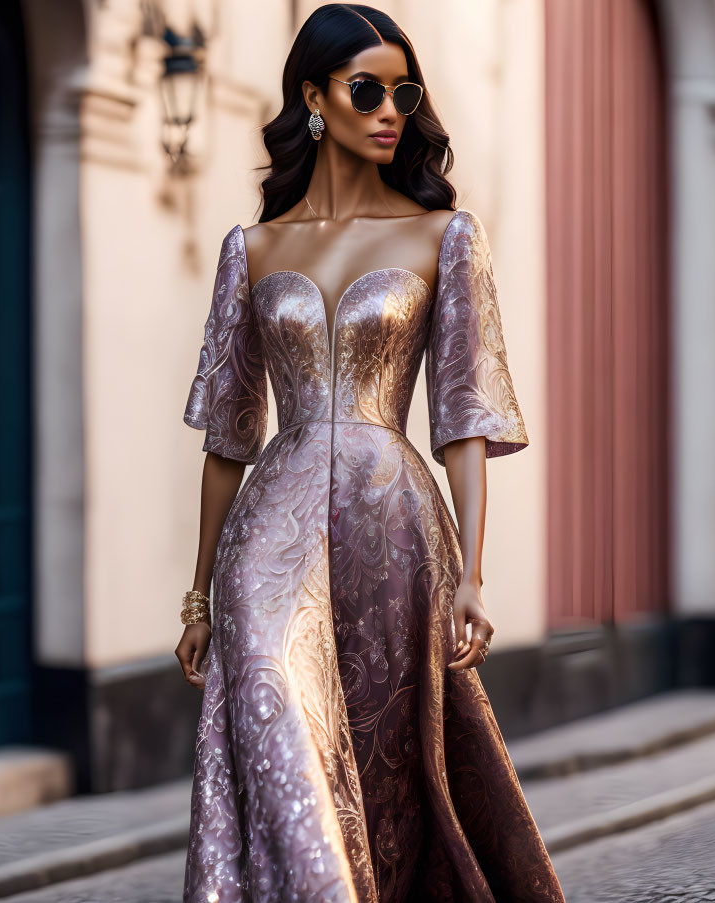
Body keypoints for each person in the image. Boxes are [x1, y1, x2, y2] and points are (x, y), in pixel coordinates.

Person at [174, 5, 564, 901]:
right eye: (365, 90)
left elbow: (464, 413)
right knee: (275, 706)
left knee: (387, 777)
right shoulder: (251, 247)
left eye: (403, 92)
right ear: (313, 99)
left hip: (394, 529)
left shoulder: (445, 237)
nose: (390, 110)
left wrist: (470, 571)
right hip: (267, 536)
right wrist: (199, 596)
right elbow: (229, 433)